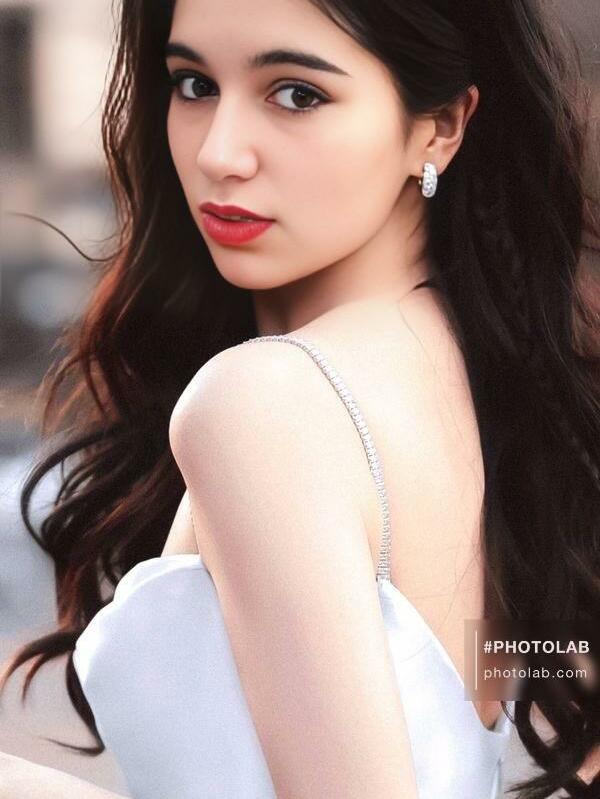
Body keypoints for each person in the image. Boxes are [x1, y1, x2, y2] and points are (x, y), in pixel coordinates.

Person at [1, 0, 599, 796]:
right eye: (193, 84)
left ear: (440, 126)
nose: (219, 153)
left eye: (297, 94)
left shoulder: (266, 404)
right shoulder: (473, 372)